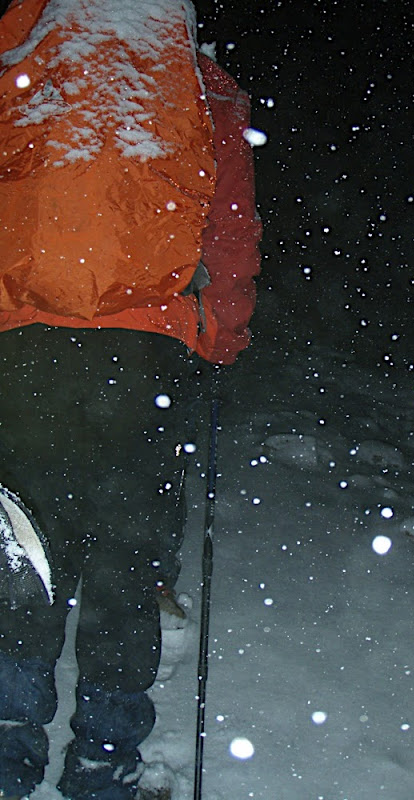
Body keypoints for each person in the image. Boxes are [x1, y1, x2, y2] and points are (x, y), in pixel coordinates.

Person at [0, 1, 261, 798]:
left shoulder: (21, 50)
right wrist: (219, 332)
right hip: (144, 357)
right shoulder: (194, 82)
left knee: (24, 557)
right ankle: (105, 760)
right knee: (127, 563)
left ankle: (8, 745)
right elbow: (229, 228)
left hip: (24, 352)